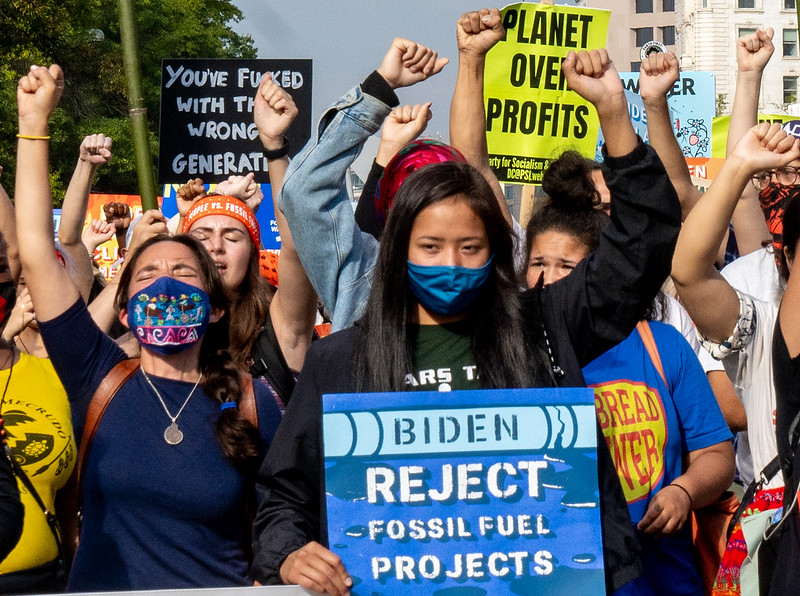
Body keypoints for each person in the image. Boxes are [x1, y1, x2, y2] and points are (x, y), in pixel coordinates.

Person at [251, 38, 682, 595]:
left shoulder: (544, 328)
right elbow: (284, 496)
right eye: (430, 247)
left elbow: (642, 244)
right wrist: (288, 553)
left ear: (497, 250)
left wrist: (613, 112)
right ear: (397, 250)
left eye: (470, 247)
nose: (450, 264)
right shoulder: (341, 360)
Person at [14, 63, 282, 591]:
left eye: (184, 274)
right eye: (148, 275)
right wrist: (33, 121)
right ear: (124, 306)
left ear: (214, 309)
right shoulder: (99, 377)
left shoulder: (254, 402)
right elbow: (37, 252)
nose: (165, 286)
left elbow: (289, 512)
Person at [524, 153, 734, 596]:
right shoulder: (513, 353)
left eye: (568, 266)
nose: (550, 278)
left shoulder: (662, 345)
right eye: (539, 263)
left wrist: (683, 492)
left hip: (663, 578)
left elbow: (716, 454)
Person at [182, 73, 318, 408]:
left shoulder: (278, 328)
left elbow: (298, 246)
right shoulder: (158, 329)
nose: (216, 245)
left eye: (232, 235)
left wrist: (273, 145)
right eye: (202, 235)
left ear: (253, 253)